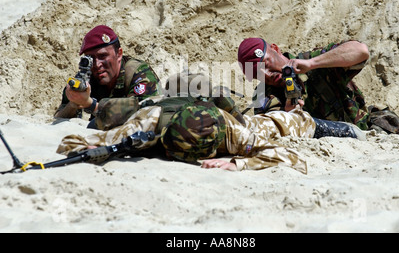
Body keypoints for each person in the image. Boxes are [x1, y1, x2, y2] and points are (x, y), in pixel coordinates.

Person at [56, 77, 366, 173]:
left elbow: (293, 158)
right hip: (177, 109)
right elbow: (71, 142)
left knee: (283, 122)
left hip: (240, 123)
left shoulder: (231, 133)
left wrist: (235, 163)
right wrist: (98, 149)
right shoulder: (146, 123)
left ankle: (347, 129)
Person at [238, 38, 372, 131]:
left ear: (275, 49)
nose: (267, 74)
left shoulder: (310, 60)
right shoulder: (263, 96)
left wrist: (313, 63)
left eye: (266, 64)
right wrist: (289, 116)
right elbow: (271, 131)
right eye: (258, 74)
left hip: (364, 130)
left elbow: (361, 51)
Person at [54, 25, 161, 127]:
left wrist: (91, 105)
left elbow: (145, 115)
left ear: (119, 54)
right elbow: (58, 119)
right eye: (91, 59)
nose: (97, 64)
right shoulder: (87, 77)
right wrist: (74, 104)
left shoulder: (139, 73)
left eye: (103, 56)